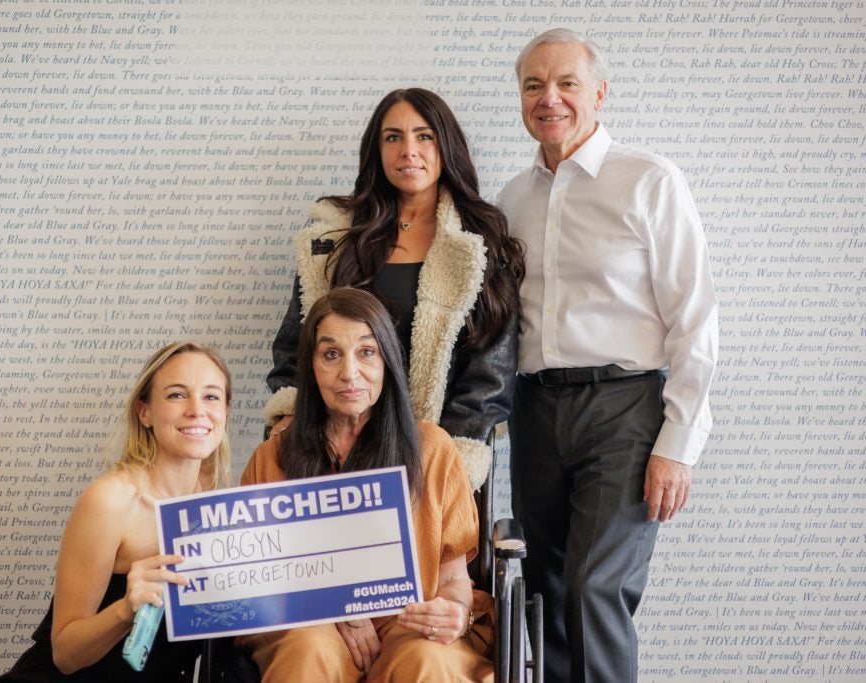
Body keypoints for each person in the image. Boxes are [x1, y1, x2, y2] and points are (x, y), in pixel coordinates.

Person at [497, 28, 719, 683]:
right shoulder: (511, 200)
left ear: (598, 92)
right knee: (549, 590)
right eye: (534, 85)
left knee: (595, 586)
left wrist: (679, 442)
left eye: (566, 83)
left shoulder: (649, 180)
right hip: (537, 411)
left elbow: (696, 318)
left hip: (625, 409)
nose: (550, 98)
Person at [265, 87, 525, 491]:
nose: (408, 150)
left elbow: (490, 376)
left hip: (431, 453)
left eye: (424, 136)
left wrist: (443, 457)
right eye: (393, 137)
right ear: (376, 150)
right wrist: (290, 415)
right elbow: (297, 341)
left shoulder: (479, 243)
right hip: (335, 448)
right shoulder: (334, 236)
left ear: (446, 146)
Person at [239, 288, 492, 682]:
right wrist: (336, 607)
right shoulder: (273, 457)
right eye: (331, 354)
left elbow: (453, 578)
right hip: (310, 620)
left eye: (366, 352)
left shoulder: (433, 449)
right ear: (310, 367)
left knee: (429, 662)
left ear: (388, 361)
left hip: (407, 618)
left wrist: (455, 613)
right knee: (310, 649)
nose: (350, 373)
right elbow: (258, 581)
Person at [0, 341, 233, 681]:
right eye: (177, 395)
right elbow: (64, 655)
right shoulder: (111, 500)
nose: (197, 409)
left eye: (211, 396)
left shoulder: (220, 505)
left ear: (225, 412)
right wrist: (125, 609)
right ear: (144, 412)